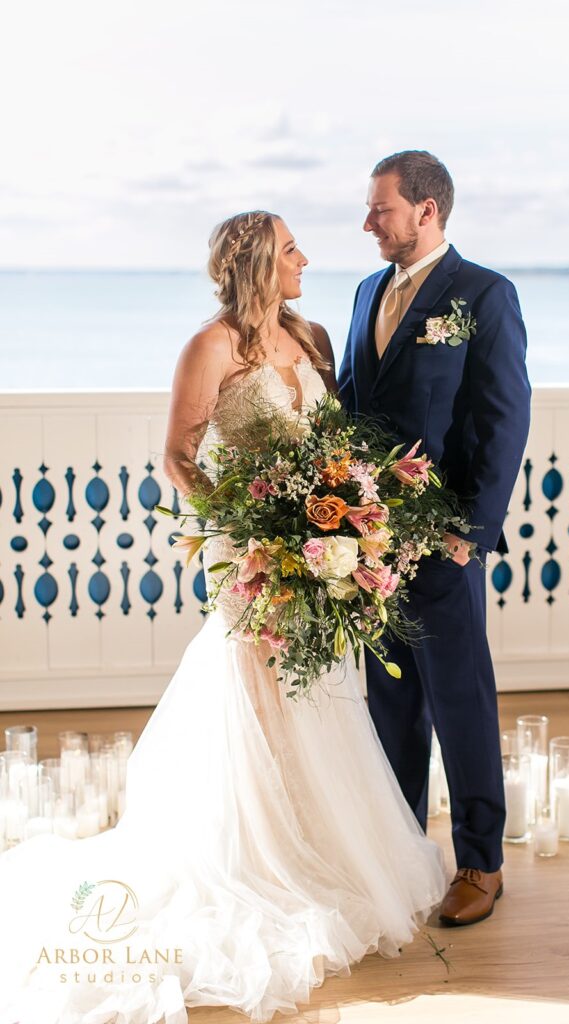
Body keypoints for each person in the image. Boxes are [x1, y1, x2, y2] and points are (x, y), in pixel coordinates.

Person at [0, 211, 449, 1024]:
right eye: (289, 250)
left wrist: (338, 515)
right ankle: (256, 849)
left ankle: (318, 848)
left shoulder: (310, 335)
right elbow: (179, 454)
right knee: (252, 690)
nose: (305, 258)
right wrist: (245, 527)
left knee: (311, 696)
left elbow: (332, 440)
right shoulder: (208, 348)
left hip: (315, 551)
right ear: (255, 264)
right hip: (250, 558)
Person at [338, 151, 532, 927]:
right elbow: (354, 402)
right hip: (368, 542)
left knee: (460, 702)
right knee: (389, 703)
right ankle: (400, 849)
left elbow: (501, 419)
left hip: (442, 541)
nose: (367, 223)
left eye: (379, 209)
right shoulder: (365, 291)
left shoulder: (484, 294)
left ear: (426, 210)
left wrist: (470, 535)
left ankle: (480, 862)